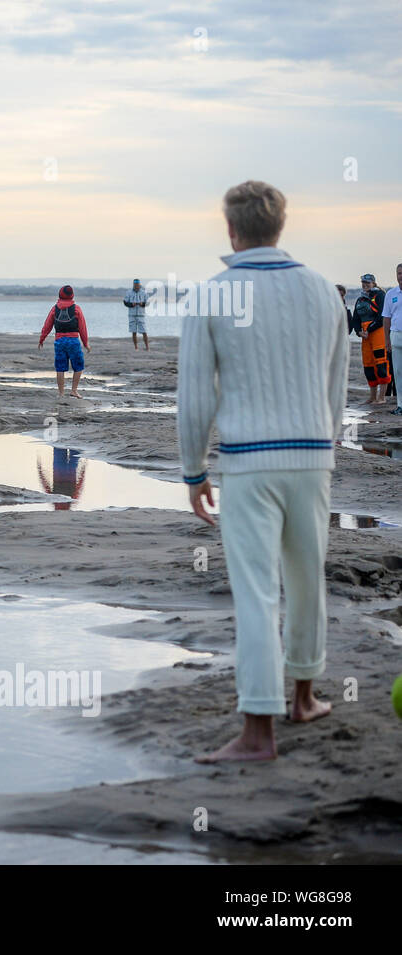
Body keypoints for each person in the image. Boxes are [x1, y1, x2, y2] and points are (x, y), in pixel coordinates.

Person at [179, 180, 345, 763]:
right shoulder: (325, 291)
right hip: (312, 455)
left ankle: (257, 733)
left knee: (256, 593)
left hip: (250, 461)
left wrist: (192, 472)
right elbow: (334, 390)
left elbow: (196, 397)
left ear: (231, 229)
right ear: (280, 226)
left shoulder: (211, 295)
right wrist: (325, 450)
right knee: (306, 581)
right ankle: (303, 697)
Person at [37, 285, 90, 399]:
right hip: (73, 341)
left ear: (60, 294)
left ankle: (61, 393)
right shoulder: (76, 309)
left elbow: (47, 325)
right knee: (78, 365)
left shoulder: (55, 308)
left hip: (59, 341)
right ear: (72, 296)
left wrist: (42, 338)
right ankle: (74, 390)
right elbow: (82, 327)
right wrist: (86, 343)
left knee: (60, 368)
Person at [352, 273, 390, 404]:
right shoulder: (360, 299)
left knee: (381, 363)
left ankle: (382, 397)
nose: (365, 284)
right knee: (368, 366)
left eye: (368, 282)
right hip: (365, 336)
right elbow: (355, 319)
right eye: (363, 282)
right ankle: (372, 397)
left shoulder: (379, 295)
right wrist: (359, 332)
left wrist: (369, 329)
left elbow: (382, 316)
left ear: (374, 283)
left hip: (378, 333)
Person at [381, 264, 402, 415]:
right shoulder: (391, 294)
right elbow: (386, 318)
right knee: (398, 372)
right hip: (396, 335)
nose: (401, 276)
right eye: (399, 273)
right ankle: (400, 405)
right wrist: (386, 339)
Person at [122, 278, 149, 349]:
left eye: (137, 284)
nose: (136, 285)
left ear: (139, 284)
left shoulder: (144, 293)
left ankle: (147, 347)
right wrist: (131, 304)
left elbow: (148, 302)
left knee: (144, 331)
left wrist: (142, 304)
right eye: (135, 284)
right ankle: (136, 347)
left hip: (141, 315)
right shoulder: (129, 292)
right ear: (133, 284)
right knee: (133, 331)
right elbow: (125, 302)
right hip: (132, 315)